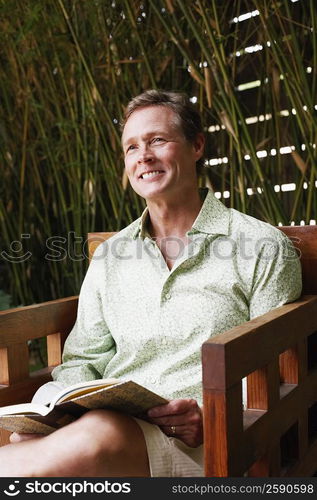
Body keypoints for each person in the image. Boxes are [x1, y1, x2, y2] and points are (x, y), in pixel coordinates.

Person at [0, 90, 302, 477]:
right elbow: (83, 360)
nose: (143, 156)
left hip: (209, 442)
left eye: (157, 140)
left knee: (92, 438)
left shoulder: (261, 246)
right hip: (106, 429)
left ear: (196, 145)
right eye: (131, 147)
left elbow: (275, 372)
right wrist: (61, 415)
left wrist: (210, 419)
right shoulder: (111, 255)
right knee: (38, 441)